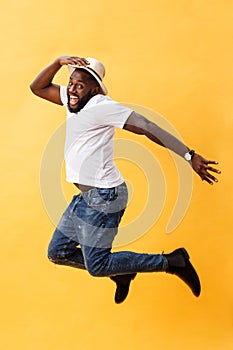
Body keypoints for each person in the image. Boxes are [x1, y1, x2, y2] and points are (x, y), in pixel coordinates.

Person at [30, 56, 221, 304]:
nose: (72, 89)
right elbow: (38, 88)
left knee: (97, 266)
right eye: (70, 82)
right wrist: (57, 62)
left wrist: (189, 155)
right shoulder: (73, 101)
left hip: (104, 196)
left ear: (95, 89)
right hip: (86, 197)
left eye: (80, 85)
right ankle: (121, 270)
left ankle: (173, 262)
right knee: (58, 253)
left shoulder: (102, 106)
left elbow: (145, 125)